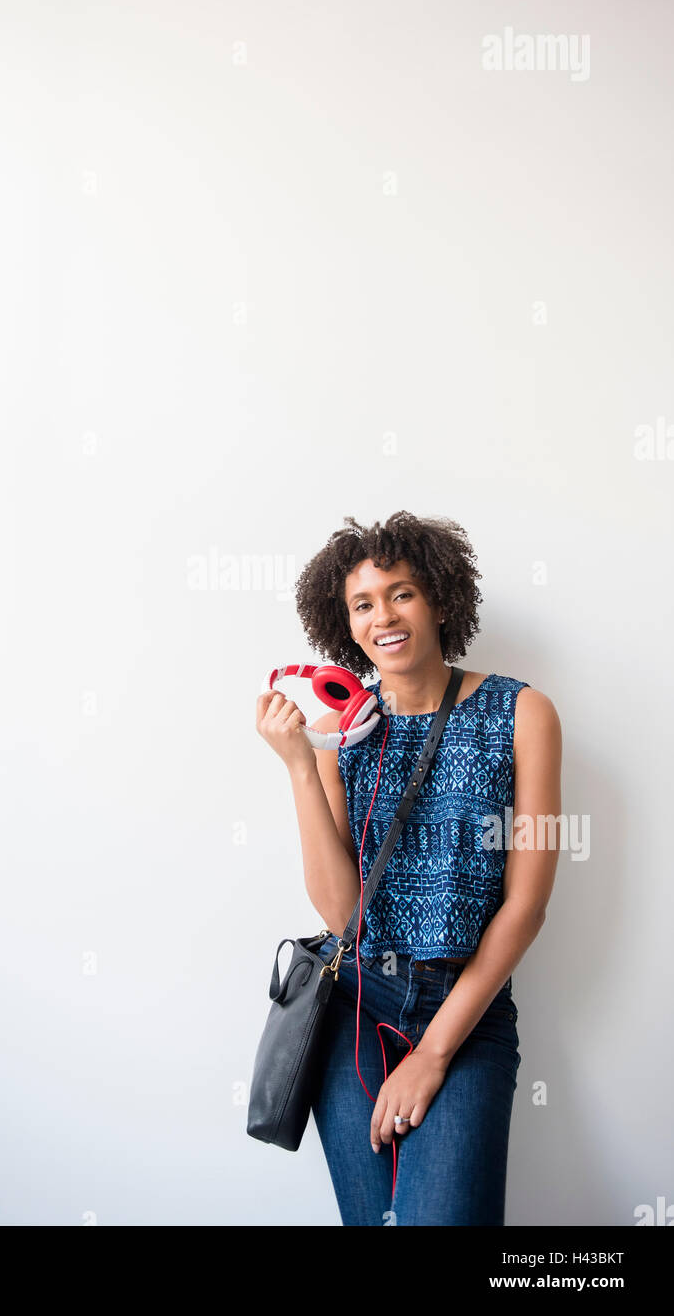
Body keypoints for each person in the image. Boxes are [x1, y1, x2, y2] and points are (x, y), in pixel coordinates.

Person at [255, 511, 562, 1225]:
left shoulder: (521, 713)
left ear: (441, 601)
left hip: (466, 1007)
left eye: (401, 593)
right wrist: (304, 765)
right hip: (354, 1005)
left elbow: (525, 906)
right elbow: (340, 917)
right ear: (345, 625)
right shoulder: (344, 734)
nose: (382, 616)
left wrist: (432, 1055)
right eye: (362, 603)